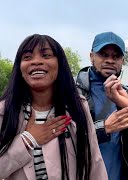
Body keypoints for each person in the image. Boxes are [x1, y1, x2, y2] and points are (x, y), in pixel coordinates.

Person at [0, 34, 107, 179]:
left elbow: (94, 162)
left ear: (60, 64)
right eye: (27, 57)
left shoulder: (77, 107)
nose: (36, 61)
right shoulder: (4, 112)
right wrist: (28, 140)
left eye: (46, 55)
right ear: (19, 68)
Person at [75, 32, 128, 180]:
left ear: (122, 61)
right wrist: (104, 128)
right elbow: (63, 139)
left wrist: (125, 107)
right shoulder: (71, 91)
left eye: (116, 56)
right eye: (103, 54)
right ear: (91, 56)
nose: (110, 60)